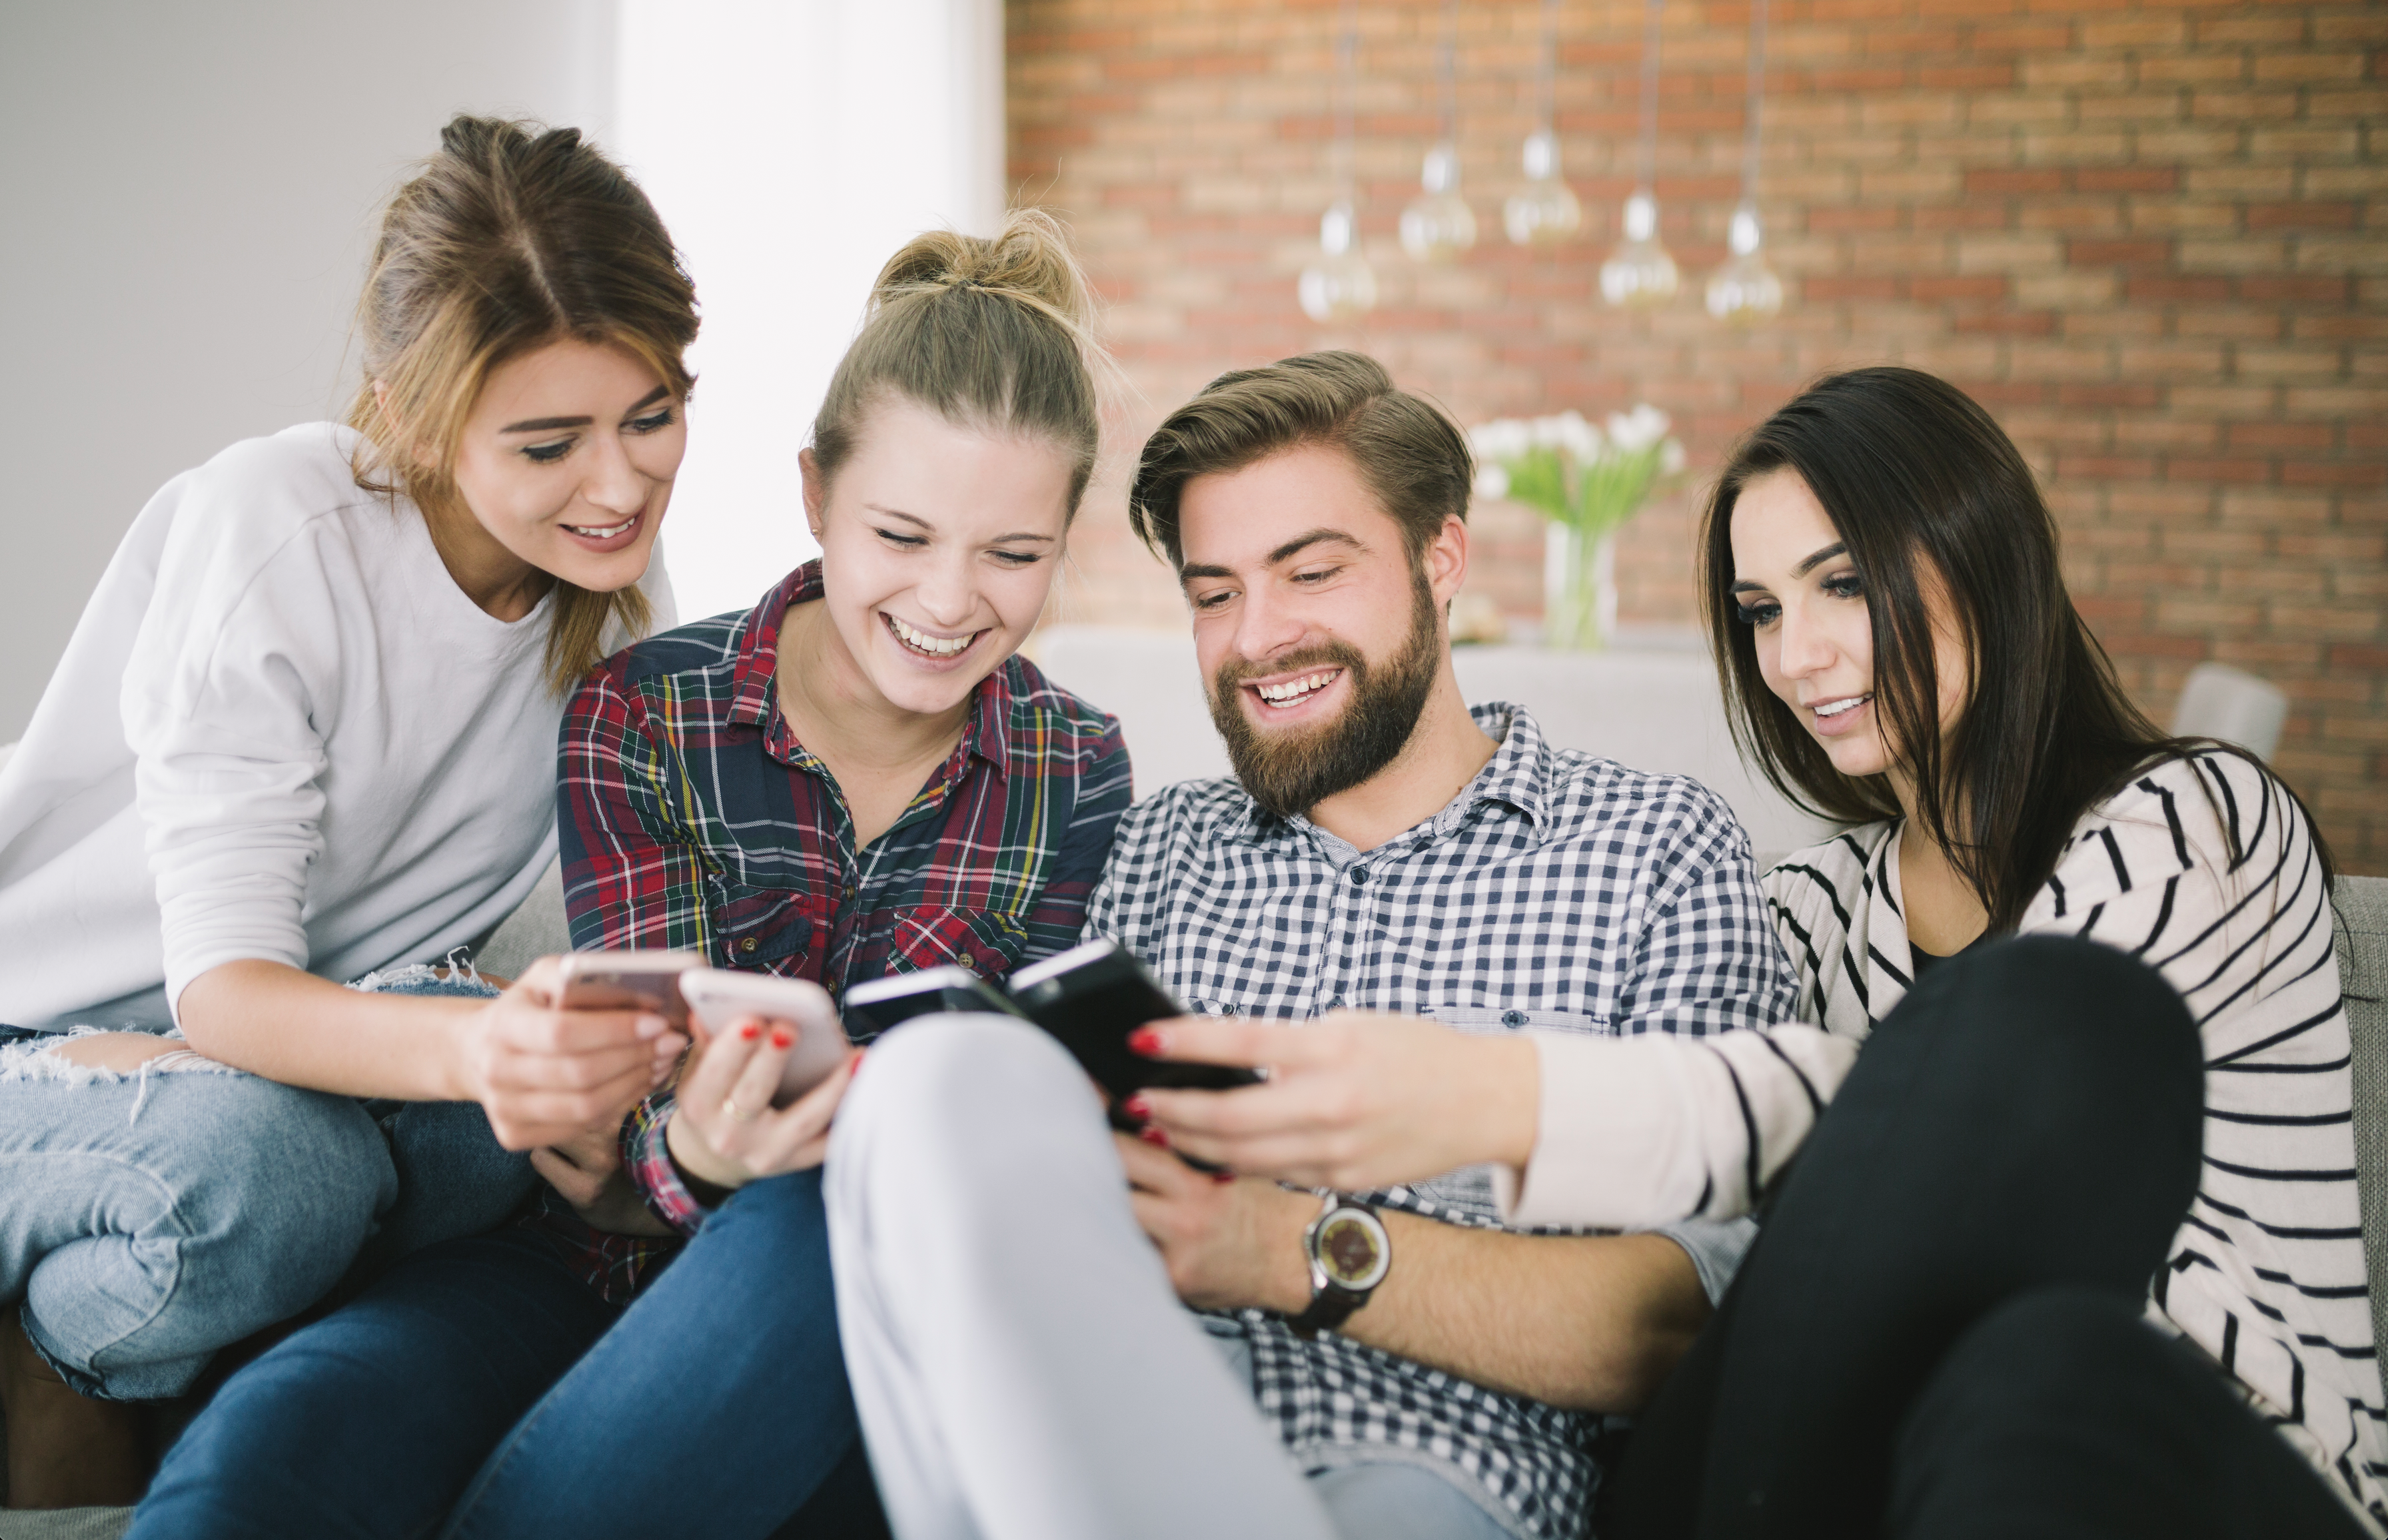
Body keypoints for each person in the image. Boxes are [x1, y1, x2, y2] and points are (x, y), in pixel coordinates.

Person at [1134, 368, 2383, 1539]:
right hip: (1873, 1470)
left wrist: (1496, 1100)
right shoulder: (1814, 909)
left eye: (1846, 585)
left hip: (2202, 1443)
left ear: (1985, 555)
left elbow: (1996, 1113)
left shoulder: (2194, 819)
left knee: (2045, 1309)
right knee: (1986, 1368)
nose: (1797, 657)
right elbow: (1786, 1229)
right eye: (1764, 610)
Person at [133, 210, 1135, 1540]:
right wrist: (689, 1154)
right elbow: (616, 1128)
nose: (950, 601)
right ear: (814, 493)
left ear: (1066, 538)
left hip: (852, 1295)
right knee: (283, 1444)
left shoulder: (1080, 769)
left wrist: (733, 1165)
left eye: (1014, 554)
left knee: (810, 1222)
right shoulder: (641, 709)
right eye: (901, 535)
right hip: (575, 1266)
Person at [823, 349, 1800, 1540]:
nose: (1258, 637)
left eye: (1312, 573)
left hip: (1421, 1473)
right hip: (1115, 1421)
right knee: (931, 1084)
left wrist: (1281, 1247)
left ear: (1440, 560)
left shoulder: (1653, 850)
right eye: (1215, 591)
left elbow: (1681, 1327)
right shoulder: (1159, 847)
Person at [0, 115, 693, 1511]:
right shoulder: (280, 527)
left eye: (652, 416)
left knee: (475, 1144)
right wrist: (483, 1040)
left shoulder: (613, 594)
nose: (619, 486)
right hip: (58, 1032)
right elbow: (228, 991)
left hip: (273, 1041)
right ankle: (55, 1346)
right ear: (410, 412)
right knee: (273, 1172)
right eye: (551, 441)